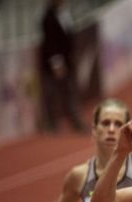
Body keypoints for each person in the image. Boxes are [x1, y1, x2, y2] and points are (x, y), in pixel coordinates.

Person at [38, 0, 88, 133]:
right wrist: (57, 63)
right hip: (54, 64)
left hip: (68, 60)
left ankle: (75, 122)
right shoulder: (48, 18)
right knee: (52, 93)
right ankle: (50, 124)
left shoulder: (65, 14)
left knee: (70, 91)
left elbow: (68, 36)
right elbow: (50, 42)